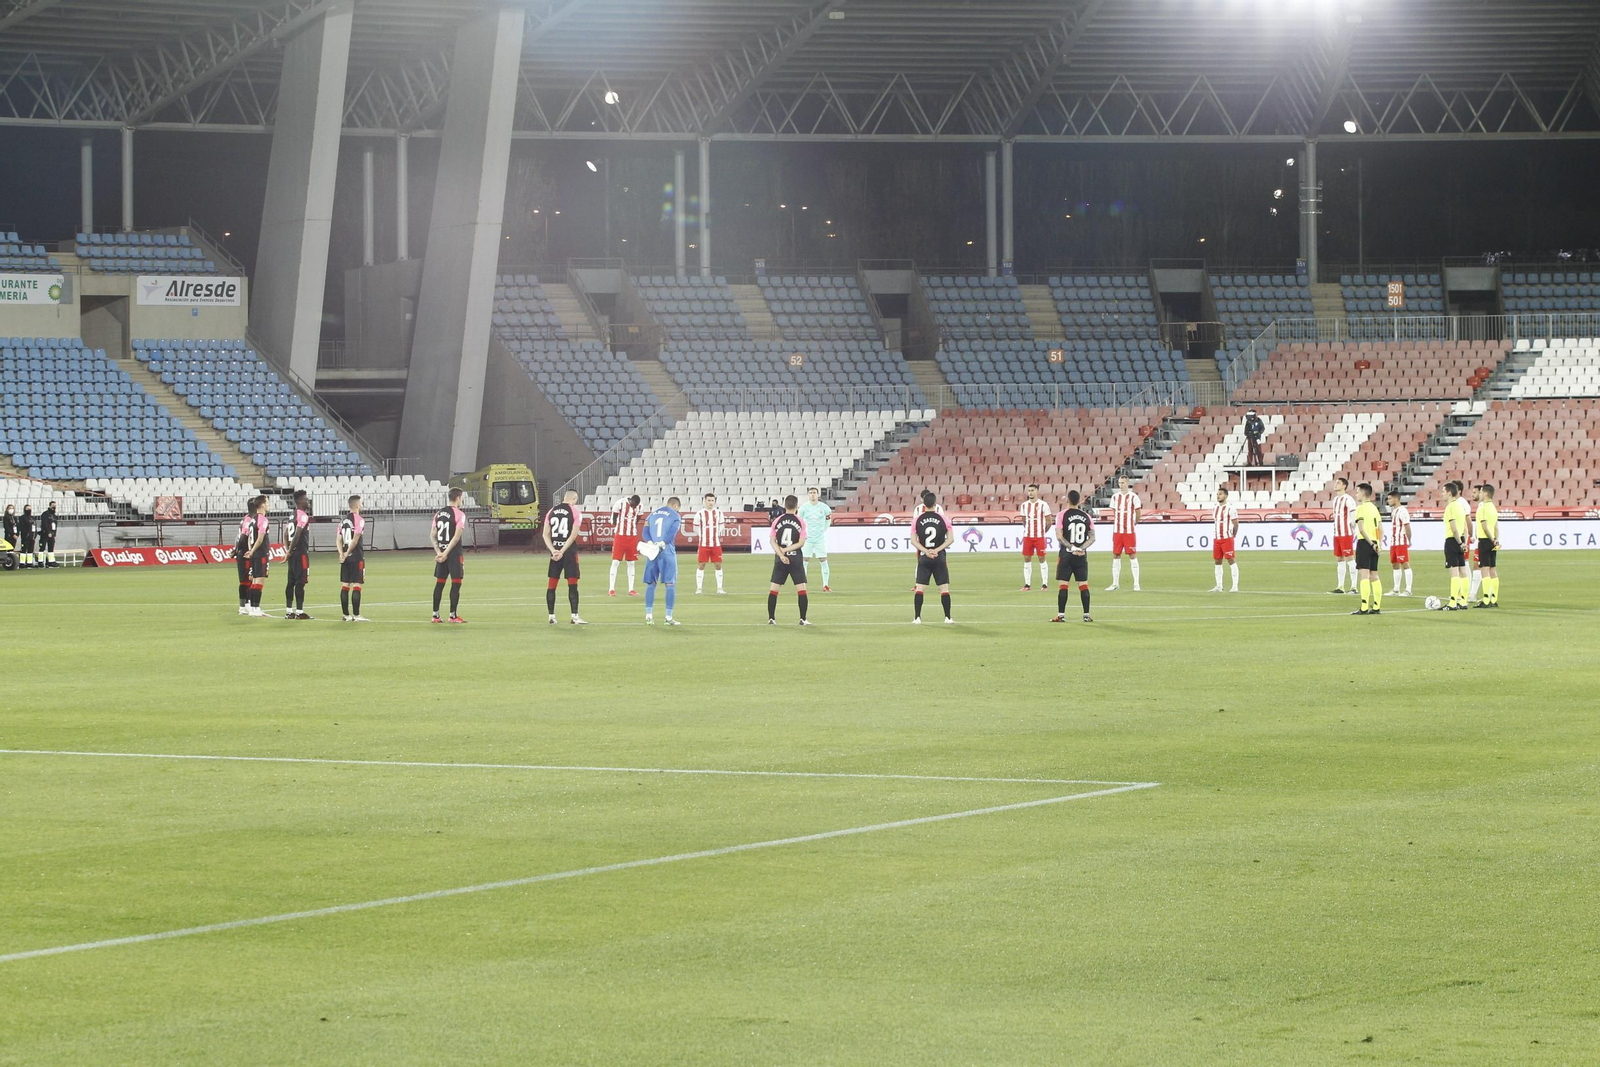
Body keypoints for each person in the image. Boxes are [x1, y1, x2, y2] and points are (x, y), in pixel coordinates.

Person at [767, 494, 812, 626]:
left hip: (780, 559)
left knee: (774, 589)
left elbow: (772, 541)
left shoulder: (777, 520)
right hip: (795, 558)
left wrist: (781, 554)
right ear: (796, 506)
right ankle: (803, 619)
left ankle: (771, 618)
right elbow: (801, 542)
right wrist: (787, 551)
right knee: (801, 589)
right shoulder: (800, 522)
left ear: (785, 506)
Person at [1052, 489, 1095, 623]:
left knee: (1063, 585)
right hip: (1081, 555)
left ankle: (1061, 615)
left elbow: (1059, 536)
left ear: (1067, 500)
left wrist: (1071, 547)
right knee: (1083, 585)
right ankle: (1086, 615)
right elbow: (1092, 537)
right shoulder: (1087, 516)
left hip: (1066, 554)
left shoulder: (1061, 515)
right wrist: (1081, 548)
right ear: (1079, 501)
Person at [911, 489, 954, 624]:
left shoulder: (917, 519)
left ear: (923, 503)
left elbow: (913, 540)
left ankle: (917, 617)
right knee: (944, 589)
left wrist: (926, 551)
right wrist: (936, 550)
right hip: (939, 557)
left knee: (920, 589)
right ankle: (947, 617)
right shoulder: (943, 518)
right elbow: (951, 539)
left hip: (924, 557)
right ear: (935, 503)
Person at [544, 490, 586, 625]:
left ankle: (551, 616)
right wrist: (562, 551)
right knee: (572, 585)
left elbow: (545, 534)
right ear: (574, 499)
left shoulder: (551, 511)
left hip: (554, 553)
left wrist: (554, 551)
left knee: (552, 585)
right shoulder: (575, 512)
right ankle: (574, 616)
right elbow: (573, 535)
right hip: (569, 553)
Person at [642, 496, 682, 625]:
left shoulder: (652, 514)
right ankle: (668, 617)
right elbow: (672, 533)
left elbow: (645, 531)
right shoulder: (675, 515)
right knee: (670, 584)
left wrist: (650, 542)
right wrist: (662, 543)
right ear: (676, 506)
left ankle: (649, 616)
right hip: (666, 551)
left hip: (652, 551)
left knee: (651, 583)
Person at [431, 487, 467, 623]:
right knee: (456, 583)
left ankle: (435, 615)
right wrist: (446, 553)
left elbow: (432, 535)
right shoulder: (459, 514)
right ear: (458, 498)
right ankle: (453, 615)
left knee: (439, 584)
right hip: (454, 554)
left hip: (442, 554)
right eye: (461, 498)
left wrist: (439, 552)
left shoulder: (438, 514)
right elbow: (456, 537)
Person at [1352, 482, 1384, 616]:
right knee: (1374, 575)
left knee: (1364, 575)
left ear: (1364, 493)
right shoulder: (1374, 508)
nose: (1356, 494)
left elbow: (1361, 528)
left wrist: (1370, 543)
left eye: (1358, 492)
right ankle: (1377, 606)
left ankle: (1364, 607)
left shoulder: (1361, 508)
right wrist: (1378, 545)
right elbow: (1380, 529)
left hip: (1365, 543)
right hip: (1375, 544)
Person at [1106, 474, 1142, 592]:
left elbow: (1138, 513)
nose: (1121, 485)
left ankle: (1136, 584)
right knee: (1116, 555)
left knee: (1132, 555)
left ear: (1127, 483)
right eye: (1120, 483)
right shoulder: (1115, 497)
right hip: (1117, 531)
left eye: (1123, 483)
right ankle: (1115, 583)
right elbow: (1114, 512)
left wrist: (1134, 523)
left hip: (1129, 531)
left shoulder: (1133, 497)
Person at [337, 495, 370, 622]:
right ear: (357, 505)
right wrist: (348, 552)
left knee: (345, 585)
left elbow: (338, 539)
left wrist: (342, 554)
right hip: (356, 556)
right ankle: (356, 615)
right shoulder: (359, 520)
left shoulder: (343, 521)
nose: (362, 505)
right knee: (357, 584)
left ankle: (346, 615)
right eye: (361, 503)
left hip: (345, 558)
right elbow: (356, 539)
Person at [797, 487, 834, 592]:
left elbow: (828, 520)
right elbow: (800, 522)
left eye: (814, 493)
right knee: (804, 561)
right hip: (807, 539)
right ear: (808, 495)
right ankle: (803, 585)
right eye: (810, 493)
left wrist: (823, 529)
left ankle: (825, 585)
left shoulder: (825, 508)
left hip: (819, 538)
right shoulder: (803, 508)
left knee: (823, 560)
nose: (812, 495)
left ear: (818, 495)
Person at [1441, 480, 1471, 611]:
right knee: (1463, 571)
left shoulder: (1451, 507)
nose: (1441, 494)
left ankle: (1452, 603)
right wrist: (1464, 542)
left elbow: (1453, 528)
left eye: (1443, 491)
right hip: (1461, 539)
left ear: (1449, 493)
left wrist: (1459, 542)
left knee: (1454, 571)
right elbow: (1465, 527)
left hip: (1453, 540)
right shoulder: (1460, 506)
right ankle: (1463, 601)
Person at [284, 490, 313, 620]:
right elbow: (297, 534)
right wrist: (290, 550)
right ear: (300, 501)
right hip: (300, 554)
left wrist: (288, 550)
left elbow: (285, 534)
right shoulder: (303, 516)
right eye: (306, 499)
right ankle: (299, 612)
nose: (308, 501)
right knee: (300, 582)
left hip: (293, 554)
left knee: (290, 582)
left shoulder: (291, 516)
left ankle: (289, 611)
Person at [1017, 483, 1052, 592]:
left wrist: (1042, 531)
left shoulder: (1043, 505)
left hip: (1039, 537)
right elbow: (1023, 521)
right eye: (1029, 491)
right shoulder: (1024, 505)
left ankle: (1044, 584)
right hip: (1028, 536)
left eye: (1032, 490)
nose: (1030, 493)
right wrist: (1028, 529)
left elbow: (1049, 522)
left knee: (1042, 558)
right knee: (1027, 559)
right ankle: (1027, 584)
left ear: (1037, 491)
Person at [233, 496, 264, 615]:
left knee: (249, 579)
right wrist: (238, 549)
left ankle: (247, 604)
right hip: (245, 553)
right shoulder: (248, 520)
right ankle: (244, 606)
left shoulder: (248, 519)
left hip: (247, 552)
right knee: (246, 580)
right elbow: (243, 537)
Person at [241, 496, 271, 616]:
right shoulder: (263, 520)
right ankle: (256, 608)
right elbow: (260, 537)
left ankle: (253, 608)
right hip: (261, 553)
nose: (268, 504)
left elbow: (249, 538)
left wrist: (250, 550)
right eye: (267, 502)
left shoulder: (253, 519)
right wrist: (253, 550)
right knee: (259, 580)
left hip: (254, 554)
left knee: (254, 580)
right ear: (262, 505)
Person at [1472, 483, 1501, 608]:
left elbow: (1484, 527)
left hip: (1485, 540)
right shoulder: (1493, 508)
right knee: (1493, 570)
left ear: (1484, 493)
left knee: (1484, 569)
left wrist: (1491, 539)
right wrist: (1496, 540)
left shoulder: (1482, 508)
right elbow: (1496, 527)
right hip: (1493, 541)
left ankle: (1486, 599)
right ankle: (1493, 599)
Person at [609, 494, 642, 597]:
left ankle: (631, 589)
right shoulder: (620, 503)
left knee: (631, 562)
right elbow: (613, 519)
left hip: (632, 536)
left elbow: (638, 519)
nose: (633, 507)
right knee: (615, 562)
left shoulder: (640, 506)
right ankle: (611, 589)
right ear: (630, 501)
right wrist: (619, 526)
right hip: (620, 536)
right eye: (632, 505)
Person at [694, 493, 727, 595]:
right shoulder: (699, 514)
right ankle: (699, 588)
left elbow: (721, 526)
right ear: (704, 501)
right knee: (701, 564)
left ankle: (720, 588)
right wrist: (703, 536)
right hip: (703, 544)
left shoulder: (719, 513)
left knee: (718, 565)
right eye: (708, 500)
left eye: (712, 500)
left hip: (716, 544)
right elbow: (696, 528)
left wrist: (716, 534)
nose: (710, 502)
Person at [1329, 477, 1356, 594]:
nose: (1335, 484)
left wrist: (1352, 528)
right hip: (1337, 533)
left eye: (1338, 483)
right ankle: (1340, 586)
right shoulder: (1335, 500)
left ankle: (1354, 587)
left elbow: (1353, 515)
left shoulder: (1348, 500)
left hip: (1346, 533)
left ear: (1344, 485)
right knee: (1339, 558)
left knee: (1349, 558)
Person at [1210, 487, 1240, 593]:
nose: (1218, 496)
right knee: (1217, 561)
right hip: (1217, 539)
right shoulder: (1215, 508)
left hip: (1227, 538)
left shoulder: (1231, 508)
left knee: (1231, 560)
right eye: (1217, 494)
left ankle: (1235, 585)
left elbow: (1236, 524)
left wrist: (1233, 535)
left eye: (1220, 494)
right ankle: (1219, 585)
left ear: (1226, 496)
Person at [1385, 489, 1413, 597]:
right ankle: (1396, 589)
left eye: (1390, 498)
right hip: (1394, 542)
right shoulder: (1394, 511)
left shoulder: (1402, 511)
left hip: (1401, 541)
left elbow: (1407, 526)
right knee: (1395, 564)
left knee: (1404, 563)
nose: (1388, 501)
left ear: (1396, 499)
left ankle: (1408, 589)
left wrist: (1409, 540)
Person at [37, 501, 58, 568]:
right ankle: (40, 562)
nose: (54, 507)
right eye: (53, 505)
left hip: (52, 534)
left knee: (51, 548)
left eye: (55, 505)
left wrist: (54, 534)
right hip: (45, 534)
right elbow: (44, 524)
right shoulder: (45, 514)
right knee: (42, 547)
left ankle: (51, 561)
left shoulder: (54, 515)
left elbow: (55, 525)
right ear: (49, 506)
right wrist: (48, 532)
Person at [17, 504, 34, 569]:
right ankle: (22, 563)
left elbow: (34, 527)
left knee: (30, 550)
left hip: (32, 537)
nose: (29, 510)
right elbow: (21, 527)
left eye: (30, 508)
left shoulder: (32, 518)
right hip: (25, 537)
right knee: (24, 549)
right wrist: (26, 534)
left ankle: (29, 563)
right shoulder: (22, 518)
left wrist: (34, 534)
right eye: (27, 509)